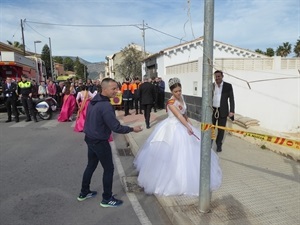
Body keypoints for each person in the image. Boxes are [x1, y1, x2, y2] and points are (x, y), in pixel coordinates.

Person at [134, 77, 222, 196]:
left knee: (189, 153)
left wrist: (190, 125)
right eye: (176, 91)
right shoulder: (171, 103)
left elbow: (184, 114)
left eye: (180, 90)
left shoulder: (182, 98)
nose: (178, 93)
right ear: (171, 91)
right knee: (173, 154)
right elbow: (179, 117)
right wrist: (187, 126)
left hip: (183, 125)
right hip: (173, 127)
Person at [77, 78, 143, 207]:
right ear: (104, 89)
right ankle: (107, 198)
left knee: (91, 165)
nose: (116, 91)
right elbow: (116, 127)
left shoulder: (93, 101)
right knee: (109, 169)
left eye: (117, 88)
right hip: (99, 141)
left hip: (90, 138)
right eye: (113, 89)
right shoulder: (105, 105)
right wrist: (132, 129)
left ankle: (84, 192)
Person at [212, 70, 235, 152]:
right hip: (213, 110)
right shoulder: (211, 86)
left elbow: (231, 99)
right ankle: (210, 142)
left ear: (222, 76)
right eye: (216, 76)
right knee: (211, 128)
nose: (217, 78)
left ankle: (219, 144)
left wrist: (232, 111)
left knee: (221, 130)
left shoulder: (228, 86)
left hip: (223, 111)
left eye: (219, 76)